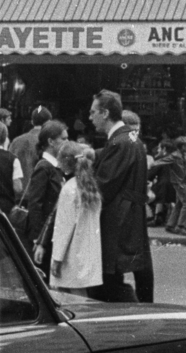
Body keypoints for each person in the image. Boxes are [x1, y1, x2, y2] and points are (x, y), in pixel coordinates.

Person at [91, 89, 153, 302]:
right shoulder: (131, 139)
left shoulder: (119, 142)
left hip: (118, 219)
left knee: (110, 278)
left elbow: (104, 185)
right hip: (131, 213)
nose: (90, 118)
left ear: (105, 113)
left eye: (93, 112)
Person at [49, 141, 103, 292]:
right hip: (87, 252)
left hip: (70, 254)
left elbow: (63, 227)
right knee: (82, 295)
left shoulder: (69, 189)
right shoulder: (90, 187)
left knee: (67, 297)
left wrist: (57, 258)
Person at [24, 118, 68, 265]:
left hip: (50, 234)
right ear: (51, 142)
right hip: (43, 236)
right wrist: (38, 238)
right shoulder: (44, 167)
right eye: (63, 139)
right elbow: (35, 204)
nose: (67, 142)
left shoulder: (55, 167)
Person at [10, 105, 51, 191]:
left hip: (18, 190)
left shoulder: (16, 141)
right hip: (39, 191)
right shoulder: (50, 141)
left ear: (32, 122)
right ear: (48, 122)